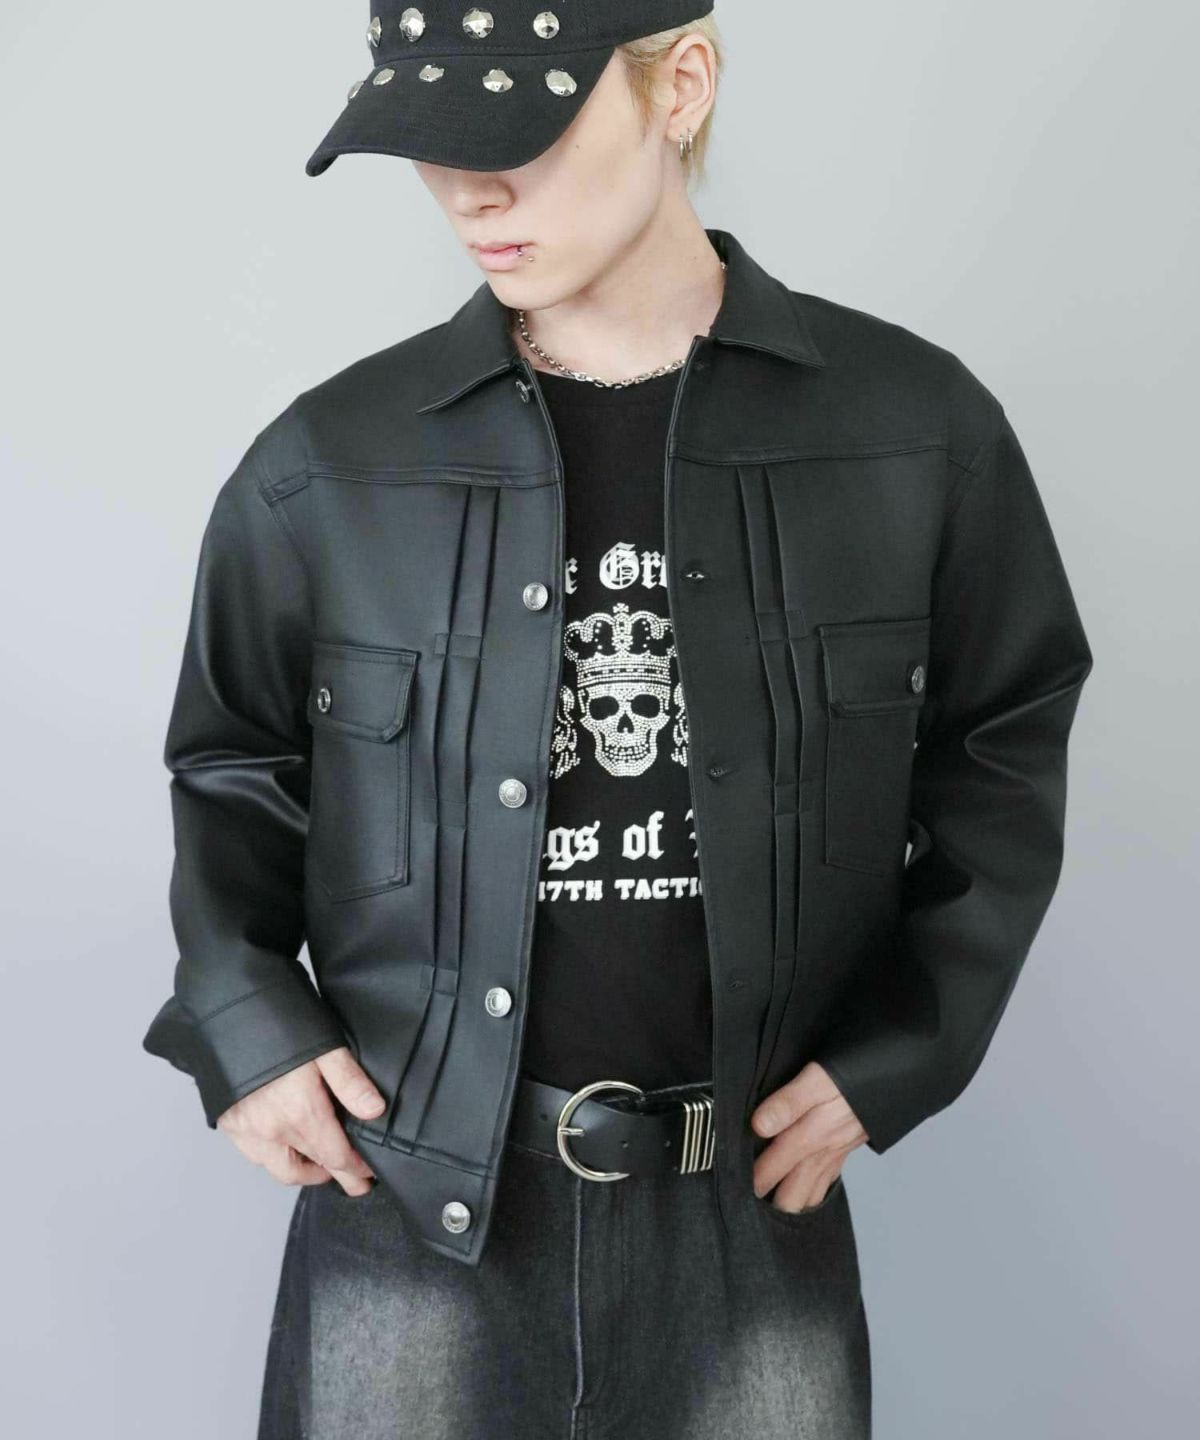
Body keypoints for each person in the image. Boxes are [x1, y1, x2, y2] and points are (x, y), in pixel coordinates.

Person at [141, 5, 1094, 1436]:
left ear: (680, 86)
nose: (469, 194)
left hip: (745, 1217)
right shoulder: (333, 464)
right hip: (412, 1208)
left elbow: (1002, 741)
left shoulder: (914, 434)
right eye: (432, 146)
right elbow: (231, 758)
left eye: (513, 135)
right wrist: (248, 1026)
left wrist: (905, 1052)